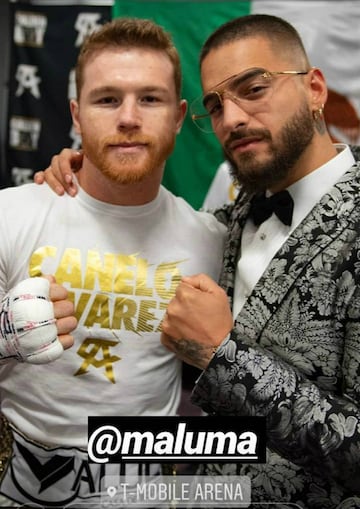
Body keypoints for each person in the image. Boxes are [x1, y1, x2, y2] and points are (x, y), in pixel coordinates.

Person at [33, 14, 360, 509]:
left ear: (315, 89)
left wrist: (223, 354)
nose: (231, 119)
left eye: (253, 88)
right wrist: (89, 168)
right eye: (216, 105)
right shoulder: (229, 223)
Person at [0, 17, 226, 507]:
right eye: (108, 99)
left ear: (178, 114)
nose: (128, 117)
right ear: (77, 116)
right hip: (15, 481)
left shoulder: (212, 242)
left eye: (150, 98)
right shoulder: (9, 214)